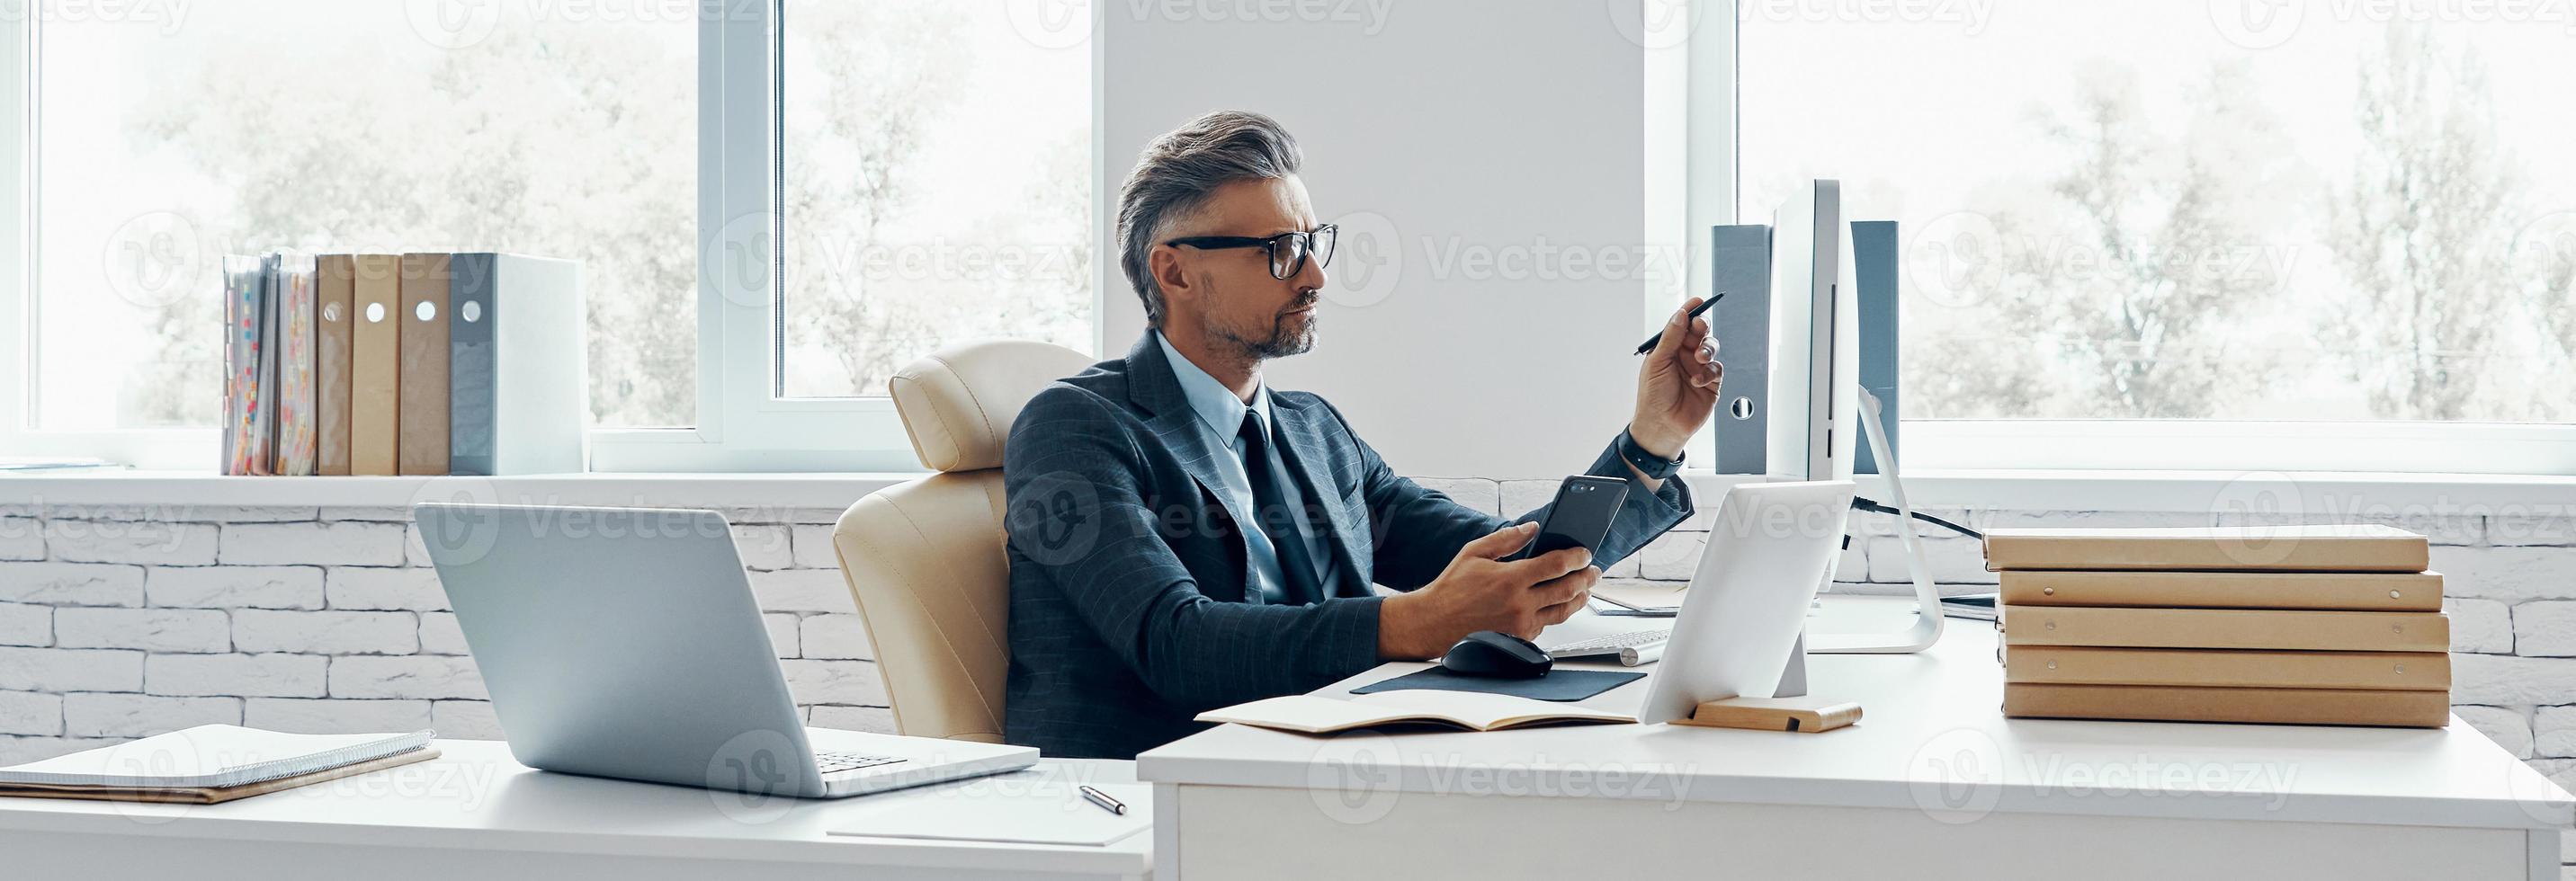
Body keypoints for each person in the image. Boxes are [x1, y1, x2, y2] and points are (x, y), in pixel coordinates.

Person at [1002, 110, 1722, 759]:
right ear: (1175, 271)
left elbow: (1514, 563)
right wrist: (1410, 623)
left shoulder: (1315, 431)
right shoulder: (1076, 427)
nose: (1314, 273)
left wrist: (1648, 443)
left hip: (1332, 764)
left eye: (1313, 242)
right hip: (1158, 788)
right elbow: (1174, 642)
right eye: (1280, 250)